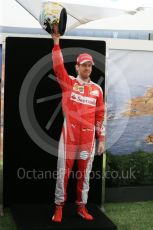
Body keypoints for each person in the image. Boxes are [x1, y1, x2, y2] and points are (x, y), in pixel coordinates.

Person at [51, 32, 105, 222]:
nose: (87, 68)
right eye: (84, 65)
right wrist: (56, 43)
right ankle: (59, 208)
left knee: (84, 175)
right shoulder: (69, 83)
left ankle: (81, 208)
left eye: (90, 65)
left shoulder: (97, 90)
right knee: (63, 174)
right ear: (77, 67)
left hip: (88, 140)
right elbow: (58, 68)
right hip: (69, 138)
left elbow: (100, 115)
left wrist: (101, 139)